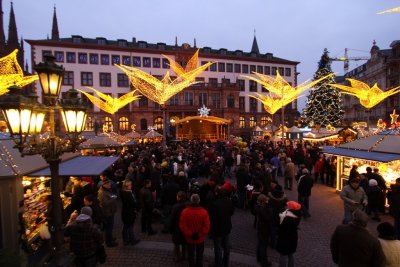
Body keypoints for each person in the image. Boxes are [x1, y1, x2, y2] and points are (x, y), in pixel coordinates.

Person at [179, 194, 210, 267]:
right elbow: (207, 227)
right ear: (199, 201)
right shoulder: (204, 212)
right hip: (200, 238)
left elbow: (182, 225)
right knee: (199, 254)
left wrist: (190, 234)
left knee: (191, 254)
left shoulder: (185, 211)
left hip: (189, 238)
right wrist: (199, 234)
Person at [208, 187, 235, 267]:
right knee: (226, 247)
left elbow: (213, 218)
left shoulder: (215, 204)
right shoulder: (229, 201)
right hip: (226, 227)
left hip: (218, 229)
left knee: (218, 248)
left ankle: (218, 264)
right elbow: (232, 212)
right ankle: (225, 263)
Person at [276, 201, 302, 267]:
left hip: (284, 238)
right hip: (293, 238)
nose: (286, 206)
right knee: (290, 254)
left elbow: (280, 225)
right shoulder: (297, 215)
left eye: (288, 205)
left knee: (283, 255)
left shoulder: (287, 217)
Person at [98, 180, 118, 247]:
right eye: (108, 184)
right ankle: (109, 242)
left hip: (110, 211)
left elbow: (110, 196)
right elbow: (104, 203)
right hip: (107, 213)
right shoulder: (102, 193)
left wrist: (112, 197)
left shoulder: (107, 190)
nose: (110, 185)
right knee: (109, 227)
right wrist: (113, 199)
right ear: (104, 185)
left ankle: (110, 238)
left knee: (110, 227)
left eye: (110, 184)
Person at [120, 180, 140, 246]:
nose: (131, 186)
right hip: (129, 213)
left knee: (126, 227)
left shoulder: (126, 192)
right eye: (129, 185)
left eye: (131, 184)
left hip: (126, 212)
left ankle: (126, 240)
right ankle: (132, 240)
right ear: (126, 186)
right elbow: (133, 203)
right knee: (130, 226)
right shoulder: (127, 194)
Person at [254, 194, 273, 267]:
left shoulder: (258, 207)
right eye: (266, 200)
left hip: (260, 228)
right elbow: (268, 218)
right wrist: (270, 209)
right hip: (264, 229)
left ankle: (259, 258)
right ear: (263, 201)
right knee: (263, 246)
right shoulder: (263, 209)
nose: (267, 201)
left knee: (260, 243)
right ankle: (264, 262)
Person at [169, 191, 188, 262]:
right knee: (184, 244)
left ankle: (177, 257)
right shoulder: (187, 205)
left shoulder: (175, 207)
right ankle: (184, 256)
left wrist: (170, 229)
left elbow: (172, 219)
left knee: (176, 244)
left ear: (179, 197)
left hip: (177, 228)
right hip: (185, 228)